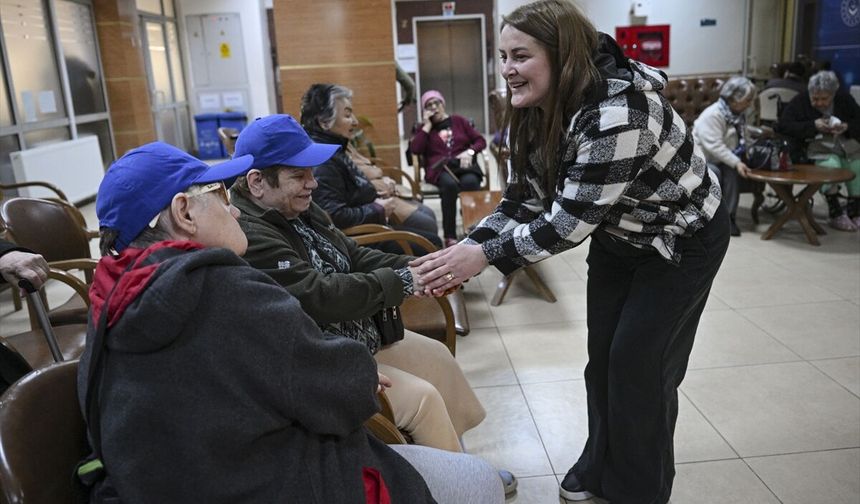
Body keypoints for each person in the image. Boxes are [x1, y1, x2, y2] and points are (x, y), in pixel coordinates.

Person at [411, 1, 729, 503]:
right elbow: (523, 200)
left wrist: (484, 257)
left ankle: (638, 490)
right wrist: (469, 246)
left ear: (563, 57)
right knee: (601, 361)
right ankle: (599, 463)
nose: (508, 69)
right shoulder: (536, 109)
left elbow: (567, 225)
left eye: (521, 56)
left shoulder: (618, 115)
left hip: (680, 241)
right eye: (503, 57)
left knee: (638, 367)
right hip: (618, 235)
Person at [76, 141, 504, 503]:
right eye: (221, 195)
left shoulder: (107, 302)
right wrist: (356, 370)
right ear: (184, 212)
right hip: (265, 482)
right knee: (477, 483)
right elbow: (341, 391)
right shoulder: (224, 285)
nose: (234, 210)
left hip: (176, 483)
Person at [228, 115, 517, 495]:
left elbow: (353, 255)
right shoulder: (250, 234)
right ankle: (453, 488)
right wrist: (403, 282)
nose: (313, 183)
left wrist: (423, 268)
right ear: (256, 182)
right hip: (324, 356)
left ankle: (457, 459)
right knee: (422, 399)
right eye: (299, 175)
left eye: (311, 172)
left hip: (358, 334)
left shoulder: (297, 208)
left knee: (437, 358)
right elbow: (318, 295)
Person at [299, 83, 442, 251]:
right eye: (347, 115)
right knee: (430, 241)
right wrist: (377, 209)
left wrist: (375, 196)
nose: (355, 121)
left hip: (370, 223)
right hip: (357, 241)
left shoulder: (334, 147)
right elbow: (334, 216)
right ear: (324, 122)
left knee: (428, 232)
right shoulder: (323, 159)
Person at [777, 70, 860, 231]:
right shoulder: (800, 101)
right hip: (816, 148)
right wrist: (813, 125)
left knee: (857, 165)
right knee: (831, 165)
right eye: (815, 98)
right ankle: (835, 211)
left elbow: (858, 120)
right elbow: (784, 126)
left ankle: (855, 210)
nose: (820, 103)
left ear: (833, 94)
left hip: (846, 146)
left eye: (824, 99)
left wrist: (846, 127)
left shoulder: (844, 99)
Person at [409, 90, 487, 247]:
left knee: (471, 182)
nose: (433, 107)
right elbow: (415, 149)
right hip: (440, 170)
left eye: (436, 103)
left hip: (463, 167)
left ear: (443, 105)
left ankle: (473, 227)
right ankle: (450, 235)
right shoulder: (424, 129)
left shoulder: (459, 121)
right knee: (449, 185)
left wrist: (470, 152)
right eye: (428, 105)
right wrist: (427, 126)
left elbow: (480, 141)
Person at [692, 76, 758, 236]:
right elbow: (714, 146)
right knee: (716, 172)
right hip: (702, 159)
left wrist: (749, 154)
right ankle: (711, 218)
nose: (750, 104)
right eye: (747, 100)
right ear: (734, 99)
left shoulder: (737, 115)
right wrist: (737, 162)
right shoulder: (713, 115)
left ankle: (729, 218)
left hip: (722, 158)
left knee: (732, 173)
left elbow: (744, 137)